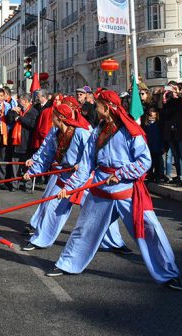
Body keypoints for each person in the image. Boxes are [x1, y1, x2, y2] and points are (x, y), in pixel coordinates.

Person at [47, 91, 182, 291]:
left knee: (150, 229)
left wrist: (121, 173)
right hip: (101, 186)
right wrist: (69, 188)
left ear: (108, 106)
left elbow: (144, 161)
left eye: (98, 104)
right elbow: (86, 164)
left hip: (126, 189)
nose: (95, 108)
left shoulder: (130, 131)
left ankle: (168, 273)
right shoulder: (97, 131)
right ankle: (68, 264)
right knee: (84, 228)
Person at [22, 102, 126, 252]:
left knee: (97, 211)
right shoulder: (55, 133)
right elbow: (47, 156)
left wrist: (82, 164)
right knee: (52, 207)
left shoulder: (81, 133)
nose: (51, 118)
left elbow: (94, 152)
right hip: (64, 176)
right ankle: (40, 239)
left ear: (61, 118)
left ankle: (114, 243)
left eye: (54, 116)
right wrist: (32, 172)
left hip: (84, 178)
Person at [5, 93, 39, 188]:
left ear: (25, 101)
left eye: (20, 100)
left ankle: (27, 184)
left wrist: (20, 118)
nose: (19, 102)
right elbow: (9, 119)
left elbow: (32, 124)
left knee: (26, 165)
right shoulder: (17, 110)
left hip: (27, 142)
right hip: (16, 142)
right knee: (15, 165)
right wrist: (12, 111)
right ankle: (14, 184)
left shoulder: (33, 111)